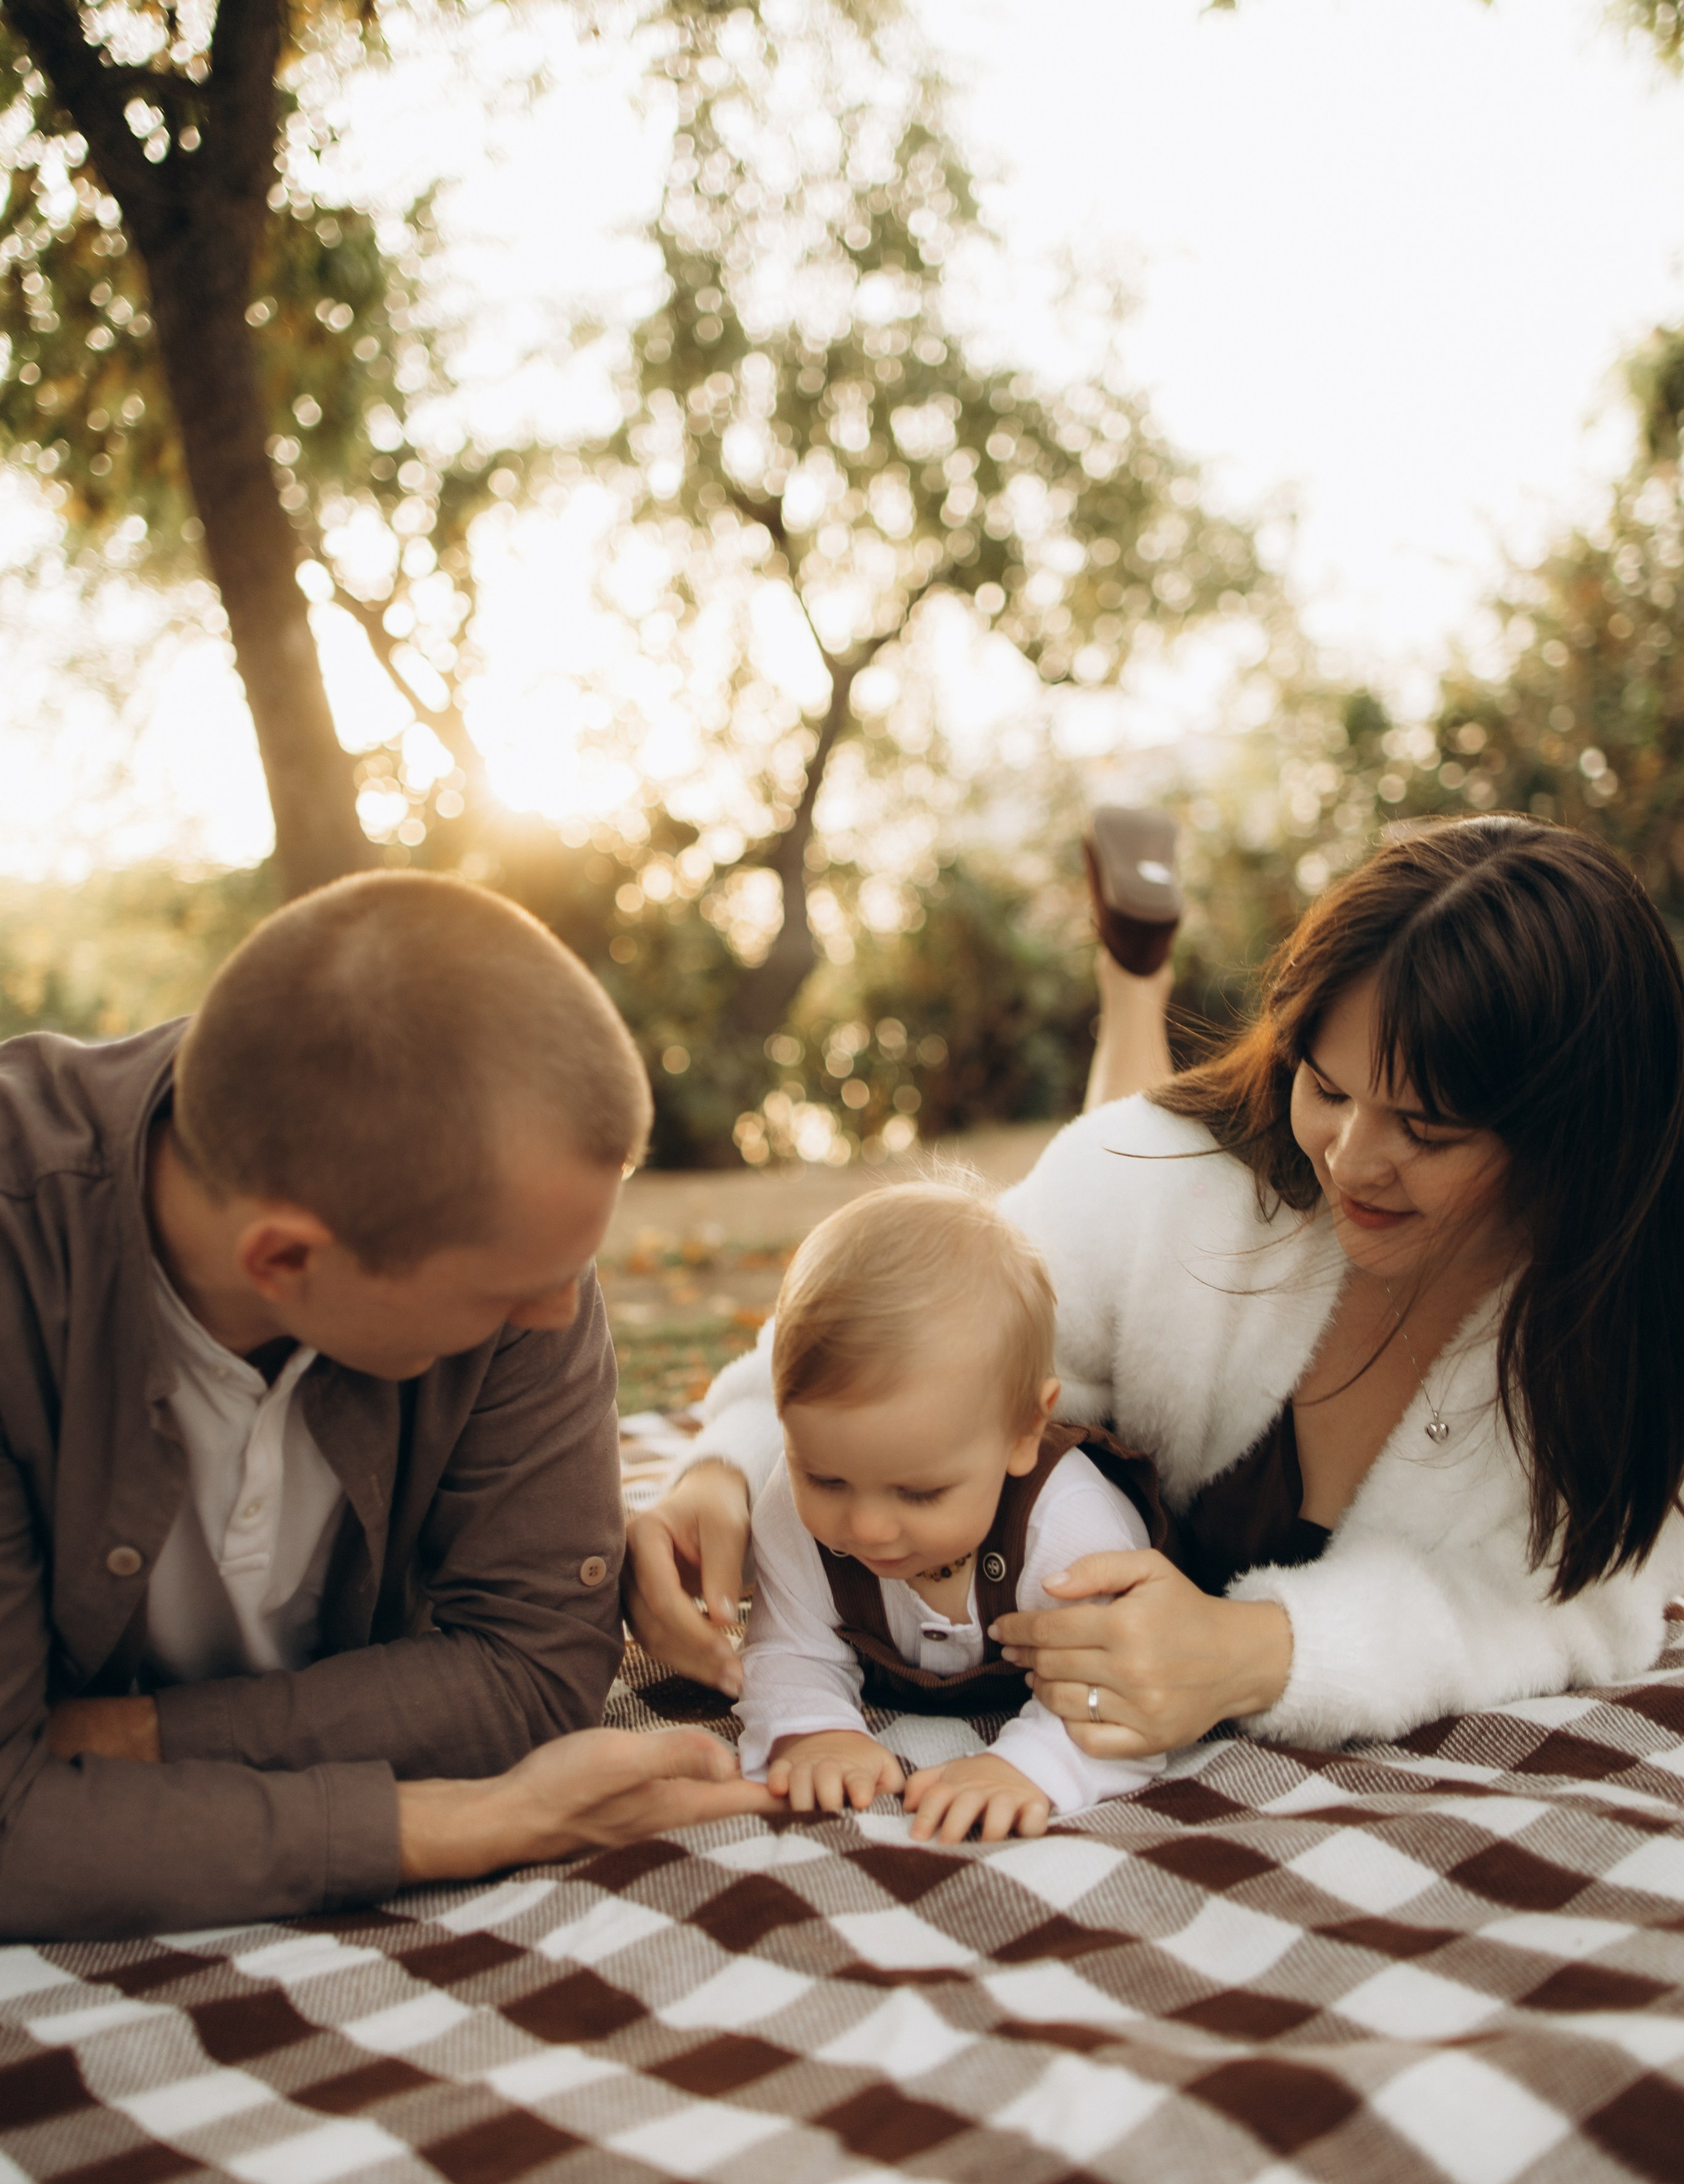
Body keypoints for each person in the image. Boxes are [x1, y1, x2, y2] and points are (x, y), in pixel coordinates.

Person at [626, 816, 1684, 1764]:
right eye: (1327, 1086)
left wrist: (1268, 1651)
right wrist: (729, 1467)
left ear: (1571, 1143)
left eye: (1427, 1129)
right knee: (1117, 1146)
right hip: (1134, 1170)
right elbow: (910, 1333)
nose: (1353, 1158)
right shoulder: (1151, 1173)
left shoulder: (1608, 1321)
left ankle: (1137, 976)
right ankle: (1136, 981)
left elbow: (1576, 1603)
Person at [4, 873, 768, 1942]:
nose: (561, 1316)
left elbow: (533, 1671)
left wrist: (131, 1740)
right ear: (284, 1258)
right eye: (506, 1293)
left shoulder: (510, 1226)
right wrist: (459, 1824)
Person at [737, 1184, 1165, 1842]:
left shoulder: (1070, 1529)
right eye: (825, 1477)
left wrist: (1032, 1767)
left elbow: (1125, 1686)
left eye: (919, 1493)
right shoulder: (788, 1512)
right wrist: (812, 1729)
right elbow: (788, 1650)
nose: (867, 1527)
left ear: (1023, 1431)